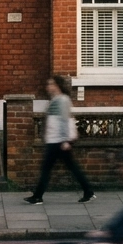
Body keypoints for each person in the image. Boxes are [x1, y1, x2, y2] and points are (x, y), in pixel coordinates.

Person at [24, 74, 94, 205]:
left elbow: (64, 120)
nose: (48, 86)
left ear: (57, 86)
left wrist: (65, 140)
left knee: (48, 169)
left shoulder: (61, 100)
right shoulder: (56, 99)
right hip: (55, 140)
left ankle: (38, 196)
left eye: (51, 84)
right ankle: (88, 191)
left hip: (58, 142)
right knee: (71, 168)